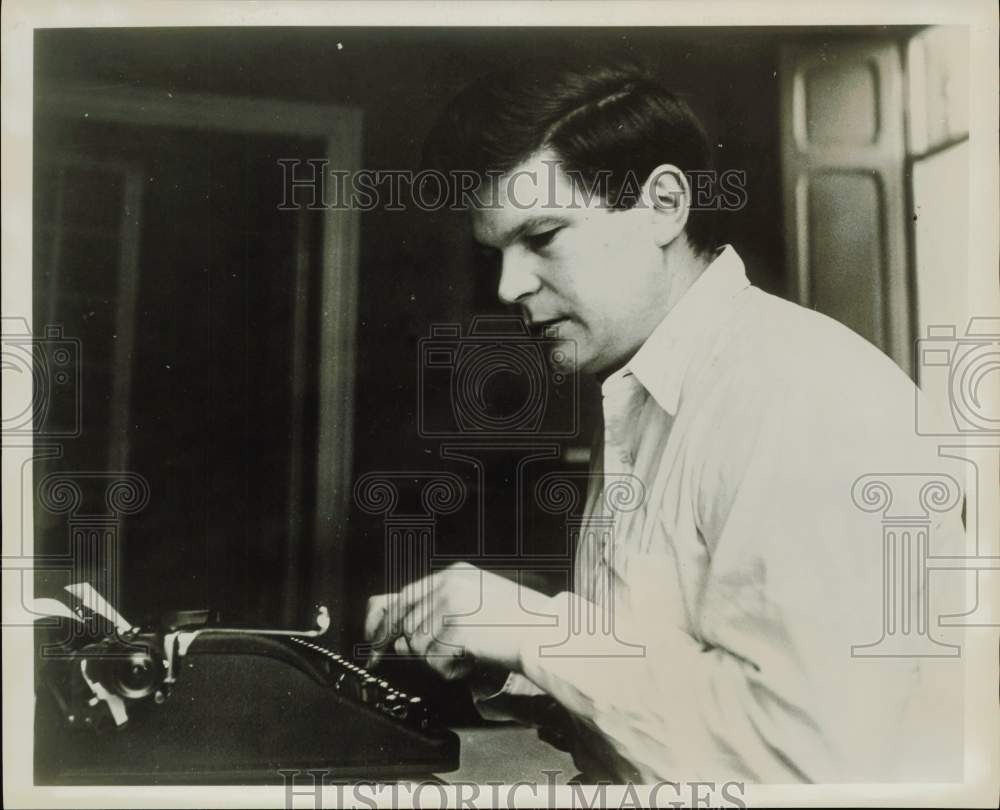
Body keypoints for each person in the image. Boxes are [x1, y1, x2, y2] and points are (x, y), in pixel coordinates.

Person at [364, 57, 966, 783]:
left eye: (544, 237)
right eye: (498, 252)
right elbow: (670, 703)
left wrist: (539, 632)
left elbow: (807, 762)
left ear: (664, 205)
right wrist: (506, 657)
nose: (510, 285)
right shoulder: (645, 391)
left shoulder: (801, 397)